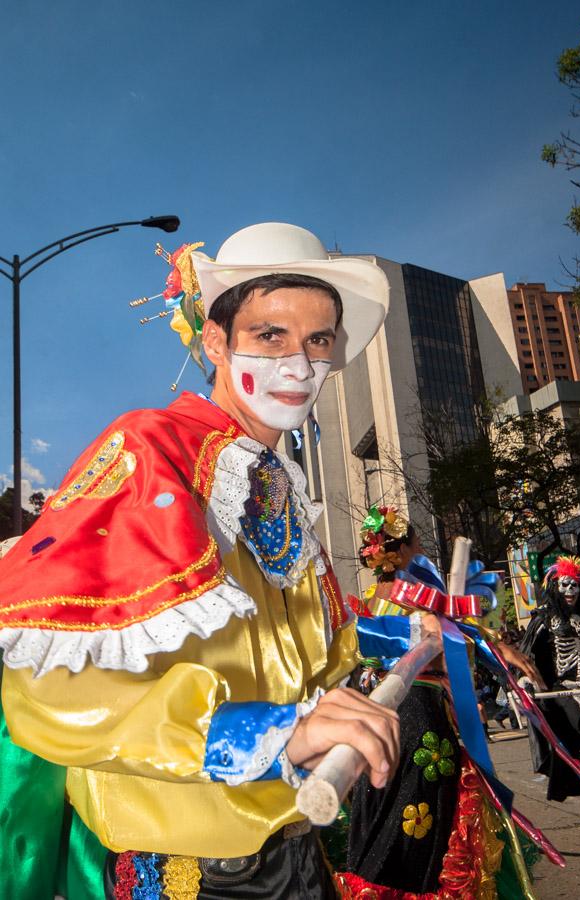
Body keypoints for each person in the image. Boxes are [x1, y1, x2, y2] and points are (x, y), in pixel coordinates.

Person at [0, 223, 419, 899]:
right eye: (271, 335)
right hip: (186, 875)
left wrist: (403, 633)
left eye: (318, 340)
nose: (298, 364)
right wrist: (270, 734)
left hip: (299, 854)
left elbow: (309, 650)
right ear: (216, 342)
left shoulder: (277, 485)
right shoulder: (149, 450)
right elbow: (49, 688)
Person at [338, 509, 544, 898]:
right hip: (419, 714)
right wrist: (498, 649)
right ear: (402, 551)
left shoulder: (367, 605)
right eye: (417, 545)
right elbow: (459, 635)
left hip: (375, 717)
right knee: (424, 817)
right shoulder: (420, 599)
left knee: (383, 811)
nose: (421, 551)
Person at [521, 555, 580, 830]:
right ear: (556, 587)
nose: (571, 591)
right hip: (565, 692)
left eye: (575, 585)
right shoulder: (545, 620)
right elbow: (528, 656)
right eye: (565, 585)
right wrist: (526, 680)